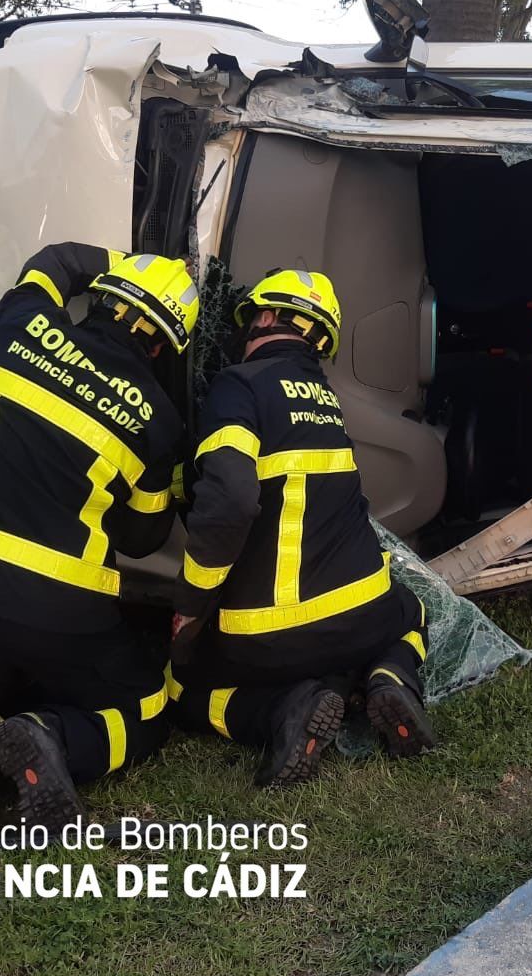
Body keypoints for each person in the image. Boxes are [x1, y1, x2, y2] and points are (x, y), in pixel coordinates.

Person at [0, 244, 196, 828]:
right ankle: (52, 737)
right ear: (163, 345)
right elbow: (143, 539)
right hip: (60, 610)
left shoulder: (24, 326)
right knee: (144, 706)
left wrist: (118, 259)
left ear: (105, 299)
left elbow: (55, 260)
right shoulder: (160, 422)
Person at [170, 268, 435, 786]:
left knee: (180, 690)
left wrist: (189, 607)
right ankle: (388, 675)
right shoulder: (324, 400)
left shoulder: (237, 384)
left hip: (265, 638)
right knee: (413, 609)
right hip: (363, 619)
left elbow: (232, 498)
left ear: (265, 317)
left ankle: (282, 711)